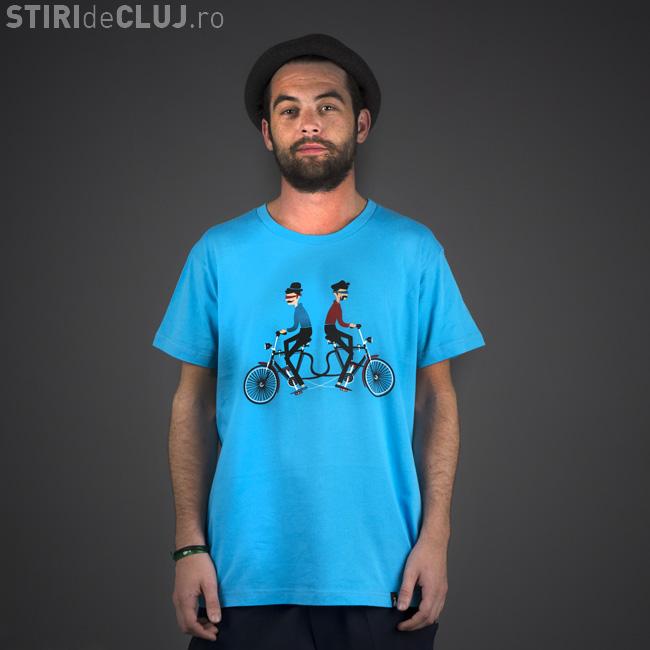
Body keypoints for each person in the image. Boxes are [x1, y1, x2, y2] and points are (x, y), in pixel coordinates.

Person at [152, 32, 486, 649]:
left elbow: (438, 400)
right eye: (289, 110)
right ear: (268, 132)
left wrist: (436, 539)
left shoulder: (414, 251)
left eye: (327, 106)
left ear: (360, 124)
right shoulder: (218, 253)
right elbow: (191, 405)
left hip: (385, 578)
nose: (308, 122)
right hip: (241, 578)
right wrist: (188, 546)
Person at [278, 281, 312, 393]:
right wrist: (286, 331)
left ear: (297, 296)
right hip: (303, 331)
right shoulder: (297, 309)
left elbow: (295, 327)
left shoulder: (299, 310)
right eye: (287, 297)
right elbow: (296, 327)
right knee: (286, 342)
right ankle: (289, 365)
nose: (288, 299)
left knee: (287, 357)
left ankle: (301, 383)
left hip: (305, 333)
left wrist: (286, 330)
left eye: (290, 297)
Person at [324, 279, 357, 391]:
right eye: (342, 292)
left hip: (332, 328)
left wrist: (349, 325)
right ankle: (340, 381)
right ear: (336, 293)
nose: (344, 294)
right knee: (350, 352)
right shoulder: (336, 306)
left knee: (350, 338)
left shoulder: (337, 305)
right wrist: (351, 325)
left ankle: (349, 360)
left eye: (345, 292)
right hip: (330, 330)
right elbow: (341, 323)